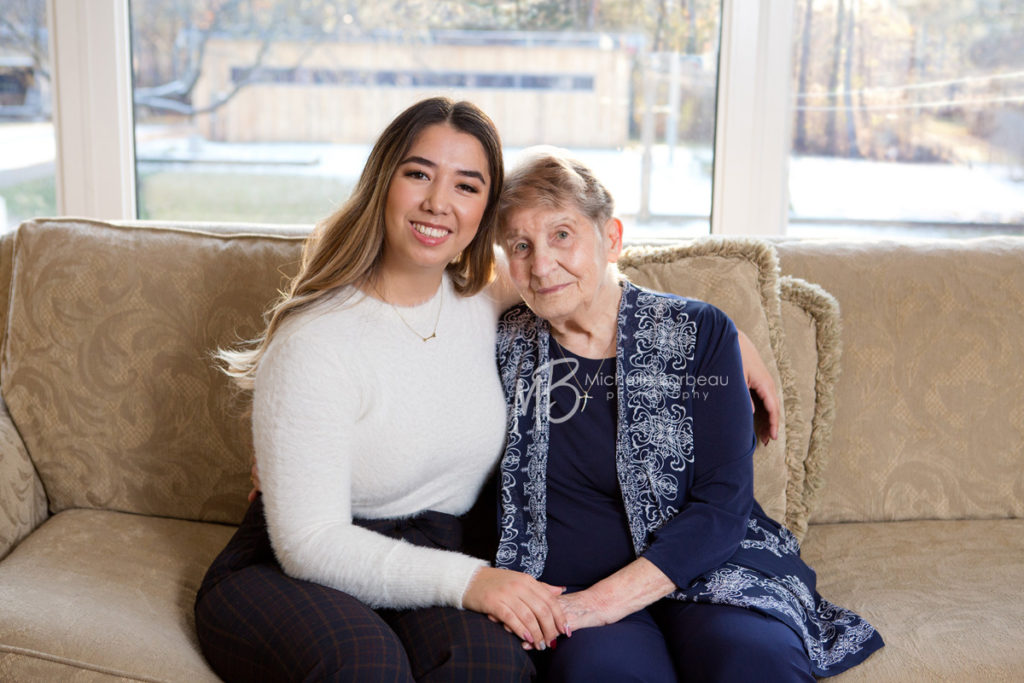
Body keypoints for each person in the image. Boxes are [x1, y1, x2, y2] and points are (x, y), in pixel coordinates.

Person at [194, 97, 781, 682]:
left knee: (494, 669)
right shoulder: (315, 341)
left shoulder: (482, 297)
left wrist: (728, 343)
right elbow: (310, 542)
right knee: (366, 666)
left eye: (467, 186)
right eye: (418, 173)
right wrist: (475, 581)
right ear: (382, 182)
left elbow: (585, 280)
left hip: (436, 547)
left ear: (482, 215)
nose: (437, 202)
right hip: (303, 561)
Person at [492, 148, 884, 682]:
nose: (541, 264)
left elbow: (723, 506)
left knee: (755, 660)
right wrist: (585, 605)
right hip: (570, 586)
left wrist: (605, 601)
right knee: (605, 675)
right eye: (521, 245)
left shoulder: (699, 333)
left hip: (717, 567)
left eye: (562, 234)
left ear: (611, 239)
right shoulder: (500, 343)